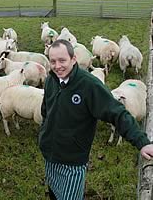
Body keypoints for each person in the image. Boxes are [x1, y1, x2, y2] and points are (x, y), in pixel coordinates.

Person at [38, 39, 153, 200]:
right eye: (53, 61)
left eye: (62, 60)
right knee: (54, 193)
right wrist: (44, 132)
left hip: (73, 161)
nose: (57, 66)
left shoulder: (89, 85)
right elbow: (46, 110)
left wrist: (142, 142)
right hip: (50, 155)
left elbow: (118, 112)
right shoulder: (51, 80)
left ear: (73, 59)